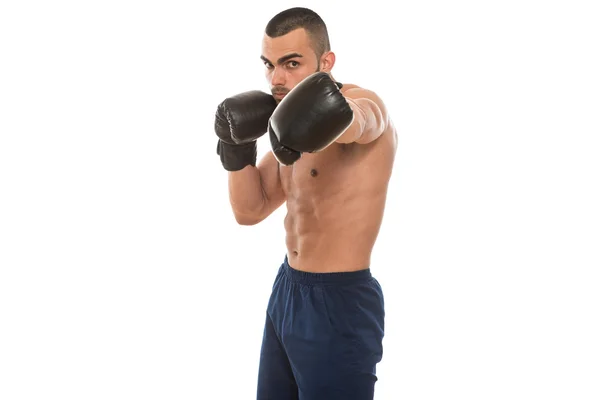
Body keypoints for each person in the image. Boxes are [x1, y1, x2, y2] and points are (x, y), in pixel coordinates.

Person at [214, 7, 397, 399]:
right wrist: (236, 146)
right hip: (287, 292)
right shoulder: (288, 132)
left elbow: (364, 122)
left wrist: (332, 113)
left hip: (340, 302)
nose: (277, 79)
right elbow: (249, 211)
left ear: (326, 62)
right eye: (270, 65)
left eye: (291, 63)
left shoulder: (364, 104)